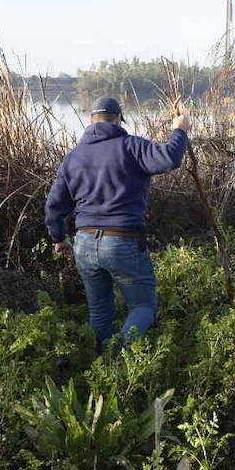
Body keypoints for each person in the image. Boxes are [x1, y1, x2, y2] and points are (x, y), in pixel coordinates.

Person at [44, 97, 191, 349]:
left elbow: (53, 207)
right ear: (118, 119)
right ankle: (119, 351)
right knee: (143, 307)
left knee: (100, 309)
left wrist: (59, 238)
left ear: (91, 121)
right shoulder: (131, 146)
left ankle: (102, 360)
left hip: (85, 242)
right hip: (122, 241)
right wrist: (180, 129)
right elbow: (169, 158)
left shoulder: (73, 158)